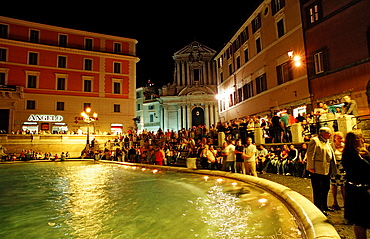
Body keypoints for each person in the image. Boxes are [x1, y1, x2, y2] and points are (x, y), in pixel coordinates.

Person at [342, 131, 370, 238]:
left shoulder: (352, 153)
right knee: (360, 220)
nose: (363, 140)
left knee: (360, 220)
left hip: (357, 189)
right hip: (359, 190)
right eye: (361, 138)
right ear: (355, 140)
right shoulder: (352, 155)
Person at [306, 127, 337, 216]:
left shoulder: (327, 142)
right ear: (322, 133)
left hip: (326, 169)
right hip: (317, 169)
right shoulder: (315, 141)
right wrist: (311, 167)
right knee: (318, 189)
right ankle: (319, 207)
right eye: (328, 133)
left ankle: (324, 205)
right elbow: (310, 154)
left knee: (326, 188)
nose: (330, 135)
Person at [330, 132, 345, 210]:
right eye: (338, 138)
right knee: (334, 184)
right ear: (334, 138)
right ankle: (335, 202)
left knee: (343, 185)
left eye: (341, 138)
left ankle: (345, 202)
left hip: (343, 167)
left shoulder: (345, 146)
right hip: (335, 167)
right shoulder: (331, 146)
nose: (340, 139)